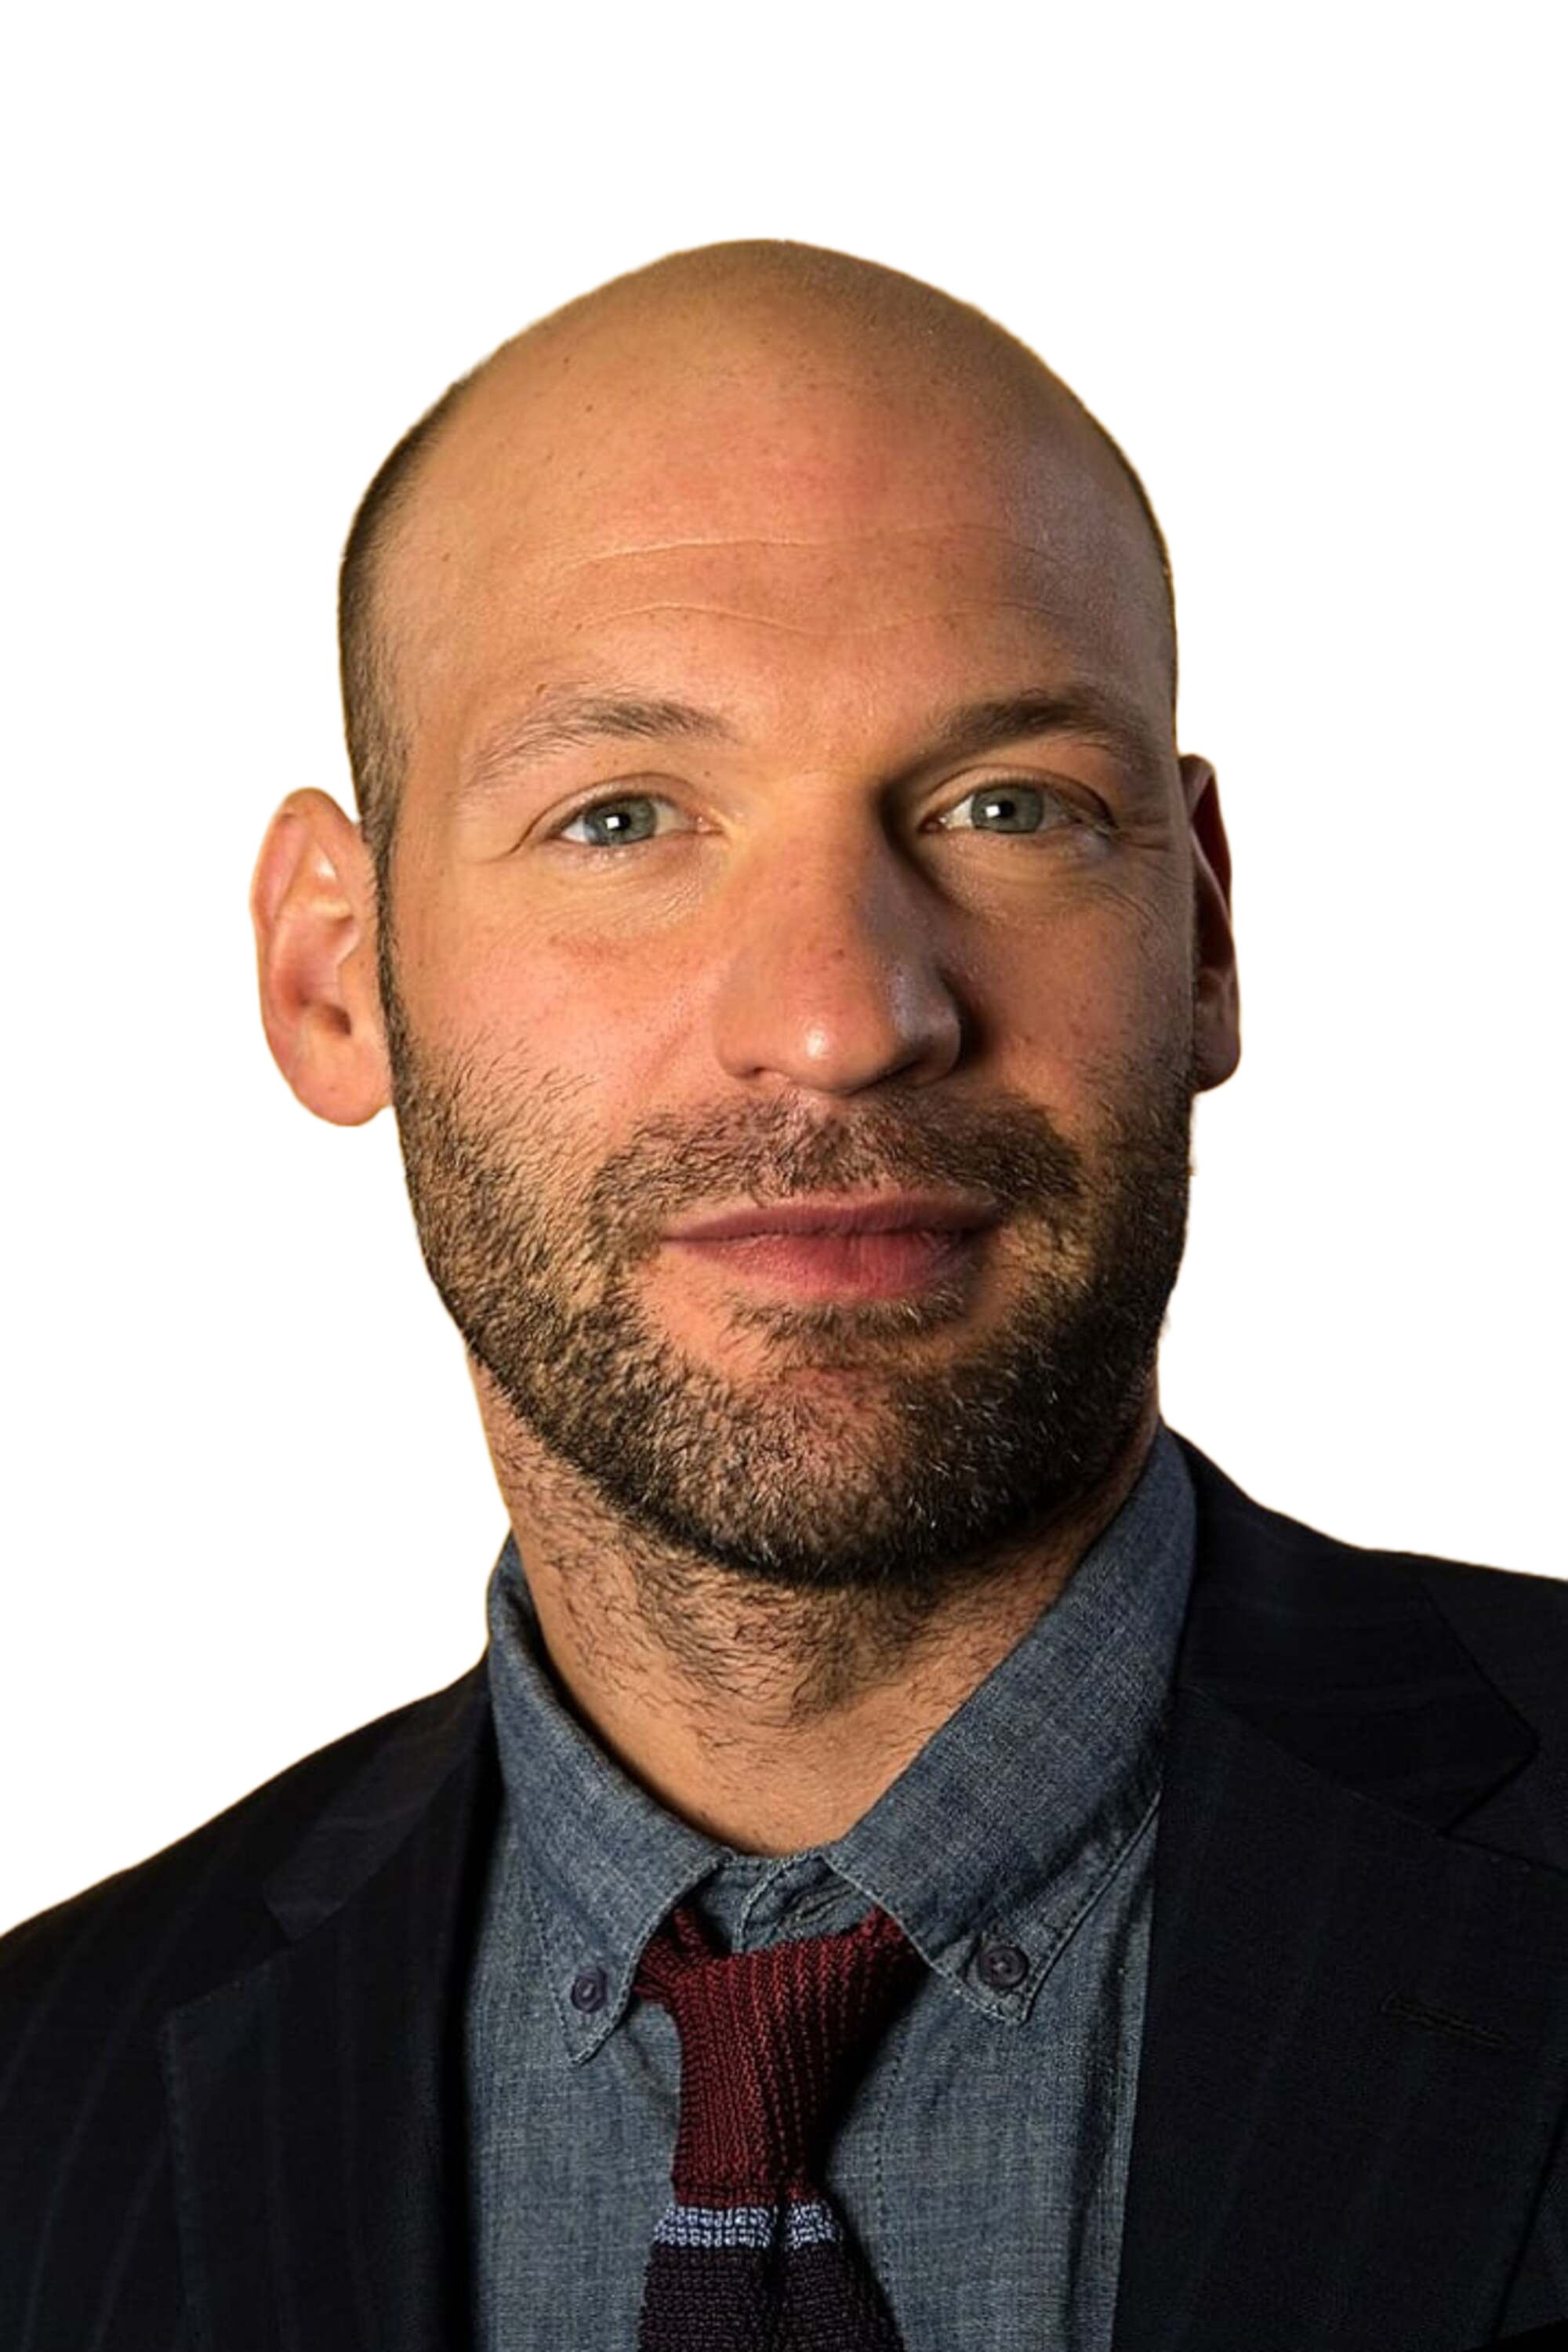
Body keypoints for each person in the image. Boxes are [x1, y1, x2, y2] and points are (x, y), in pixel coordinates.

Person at [3, 237, 1562, 2352]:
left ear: (1208, 933)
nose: (842, 1022)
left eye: (1007, 805)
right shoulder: (37, 2104)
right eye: (620, 817)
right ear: (332, 975)